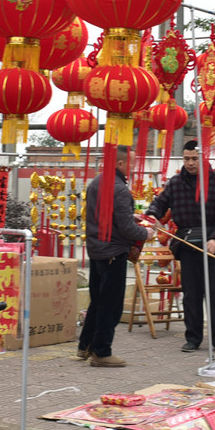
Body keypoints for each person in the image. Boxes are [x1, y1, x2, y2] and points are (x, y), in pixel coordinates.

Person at [145, 139, 215, 353]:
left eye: (195, 159)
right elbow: (159, 203)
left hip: (213, 245)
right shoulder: (175, 182)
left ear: (203, 158)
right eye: (187, 159)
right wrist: (151, 215)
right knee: (191, 294)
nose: (191, 163)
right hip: (186, 243)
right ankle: (193, 338)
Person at [78, 145, 153, 367]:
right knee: (110, 305)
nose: (134, 166)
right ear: (120, 164)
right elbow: (127, 228)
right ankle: (102, 351)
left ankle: (85, 346)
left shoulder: (97, 182)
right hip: (113, 251)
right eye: (131, 162)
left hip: (97, 250)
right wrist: (146, 232)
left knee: (98, 301)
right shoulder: (119, 189)